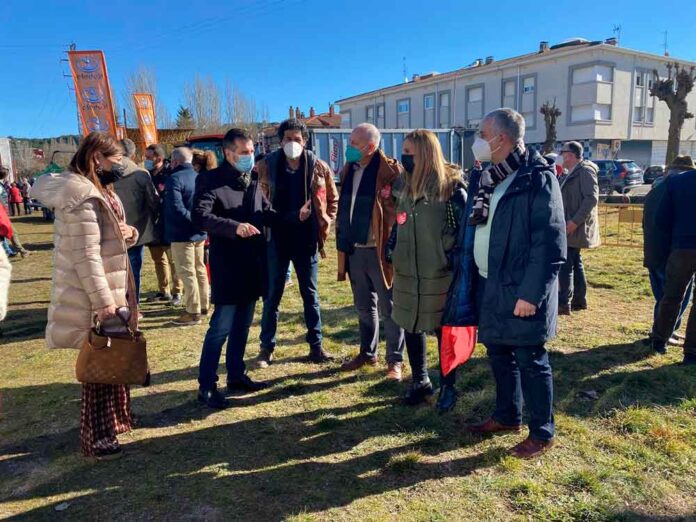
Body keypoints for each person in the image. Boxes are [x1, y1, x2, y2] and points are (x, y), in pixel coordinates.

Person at [448, 108, 565, 459]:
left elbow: (550, 243)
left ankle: (542, 432)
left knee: (531, 359)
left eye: (482, 133)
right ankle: (506, 415)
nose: (477, 141)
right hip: (490, 282)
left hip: (521, 288)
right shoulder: (489, 175)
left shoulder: (536, 177)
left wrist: (532, 294)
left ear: (501, 138)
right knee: (499, 354)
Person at [32, 132, 140, 459]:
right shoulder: (81, 195)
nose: (120, 166)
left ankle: (116, 422)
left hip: (112, 285)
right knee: (99, 368)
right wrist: (104, 303)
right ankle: (97, 436)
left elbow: (113, 237)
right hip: (94, 294)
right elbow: (86, 256)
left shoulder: (100, 189)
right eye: (115, 160)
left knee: (115, 363)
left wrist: (130, 233)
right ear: (96, 158)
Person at [192, 128, 274, 408]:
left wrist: (296, 216)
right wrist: (234, 227)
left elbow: (265, 212)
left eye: (251, 152)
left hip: (252, 264)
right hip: (228, 265)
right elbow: (201, 216)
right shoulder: (210, 180)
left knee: (243, 325)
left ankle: (236, 375)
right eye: (243, 152)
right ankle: (207, 385)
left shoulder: (251, 179)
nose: (249, 157)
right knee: (220, 328)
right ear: (228, 153)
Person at [388, 129, 467, 411]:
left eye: (409, 153)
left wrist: (450, 257)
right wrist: (392, 247)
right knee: (410, 324)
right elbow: (399, 221)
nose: (404, 158)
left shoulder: (451, 188)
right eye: (404, 152)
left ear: (425, 153)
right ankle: (420, 380)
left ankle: (449, 385)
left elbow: (463, 232)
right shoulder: (404, 187)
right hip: (408, 272)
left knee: (443, 332)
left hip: (439, 274)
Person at [256, 119, 338, 365]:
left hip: (306, 241)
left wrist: (325, 221)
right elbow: (257, 204)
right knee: (272, 296)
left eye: (297, 139)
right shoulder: (265, 167)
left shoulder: (318, 168)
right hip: (276, 239)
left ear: (305, 141)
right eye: (288, 139)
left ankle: (316, 346)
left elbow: (333, 199)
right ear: (280, 141)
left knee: (310, 295)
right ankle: (266, 347)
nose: (293, 143)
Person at [337, 123, 405, 381]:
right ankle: (367, 352)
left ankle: (395, 361)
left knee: (390, 307)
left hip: (380, 250)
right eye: (350, 141)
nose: (349, 147)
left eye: (354, 143)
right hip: (355, 249)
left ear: (371, 147)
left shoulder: (389, 172)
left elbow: (401, 208)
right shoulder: (349, 169)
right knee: (364, 307)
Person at [643, 156, 694, 348]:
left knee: (669, 296)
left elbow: (659, 221)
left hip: (672, 249)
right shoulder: (675, 185)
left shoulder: (668, 185)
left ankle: (660, 338)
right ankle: (685, 347)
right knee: (676, 296)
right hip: (677, 248)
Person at [165, 147, 210, 326]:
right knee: (200, 269)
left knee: (186, 271)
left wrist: (192, 220)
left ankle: (193, 311)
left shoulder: (174, 179)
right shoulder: (199, 176)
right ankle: (204, 305)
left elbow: (176, 207)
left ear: (175, 161)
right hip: (199, 232)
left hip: (181, 232)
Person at [113, 138, 160, 302]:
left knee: (113, 271)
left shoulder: (104, 172)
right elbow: (153, 201)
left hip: (111, 229)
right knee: (134, 271)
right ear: (133, 154)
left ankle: (116, 305)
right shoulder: (141, 174)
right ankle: (134, 305)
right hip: (136, 229)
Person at [557, 141, 600, 314]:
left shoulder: (585, 171)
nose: (561, 155)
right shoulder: (572, 172)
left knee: (566, 265)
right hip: (571, 225)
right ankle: (579, 300)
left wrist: (575, 222)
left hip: (575, 227)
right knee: (575, 262)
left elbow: (591, 198)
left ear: (571, 155)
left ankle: (563, 303)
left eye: (563, 152)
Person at [145, 143, 183, 305]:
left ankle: (178, 291)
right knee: (158, 259)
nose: (145, 160)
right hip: (152, 223)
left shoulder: (171, 174)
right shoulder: (146, 175)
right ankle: (164, 290)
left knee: (173, 259)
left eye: (148, 157)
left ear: (159, 158)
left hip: (168, 223)